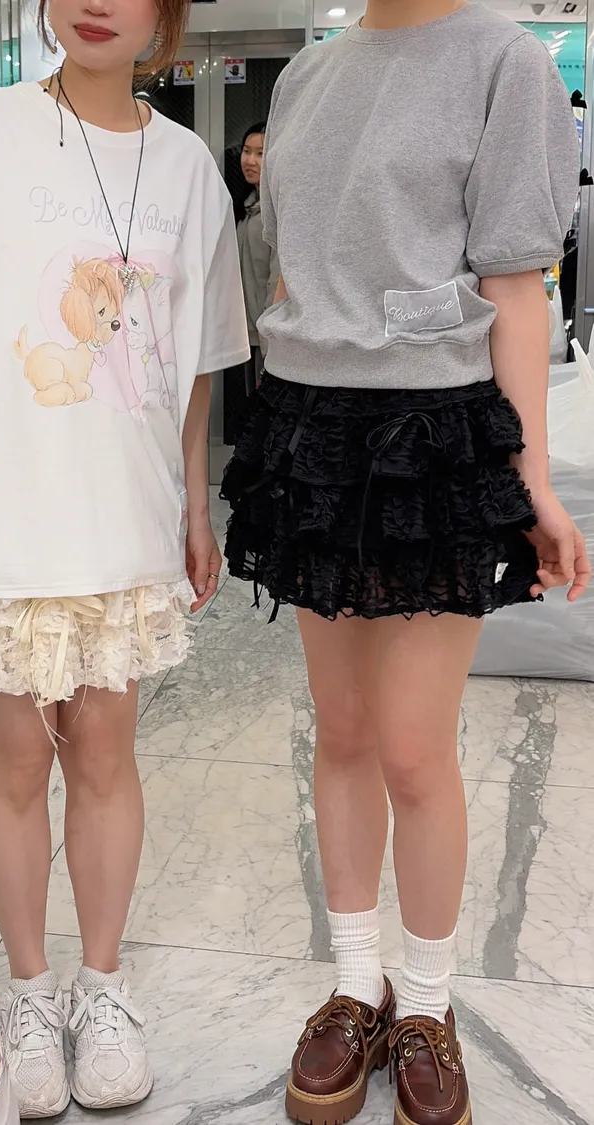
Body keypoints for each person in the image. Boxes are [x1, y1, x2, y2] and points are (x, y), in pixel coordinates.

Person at [0, 0, 249, 1117]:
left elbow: (192, 366)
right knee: (16, 761)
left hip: (122, 518)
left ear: (164, 13)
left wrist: (195, 507)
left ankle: (103, 989)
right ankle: (30, 992)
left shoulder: (189, 171)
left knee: (108, 755)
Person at [221, 3, 590, 1124]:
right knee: (338, 734)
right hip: (311, 427)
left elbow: (517, 286)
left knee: (415, 749)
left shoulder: (505, 61)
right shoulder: (306, 78)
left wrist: (529, 478)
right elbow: (293, 270)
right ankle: (356, 987)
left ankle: (427, 1004)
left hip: (434, 431)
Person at [235, 122, 279, 393]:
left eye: (261, 153)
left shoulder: (275, 211)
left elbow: (276, 280)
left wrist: (268, 338)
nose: (250, 161)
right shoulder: (246, 207)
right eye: (246, 151)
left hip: (269, 338)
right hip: (246, 334)